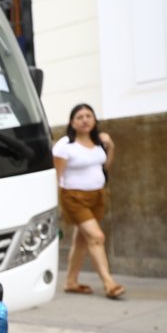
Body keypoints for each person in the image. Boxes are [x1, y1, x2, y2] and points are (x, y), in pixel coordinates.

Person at [54, 103, 124, 299]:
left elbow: (105, 166)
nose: (85, 120)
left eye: (88, 116)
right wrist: (56, 205)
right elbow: (57, 176)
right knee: (97, 237)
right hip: (74, 197)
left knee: (82, 240)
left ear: (94, 120)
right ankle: (109, 283)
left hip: (97, 196)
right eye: (80, 117)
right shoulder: (65, 145)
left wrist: (111, 146)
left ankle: (71, 281)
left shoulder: (99, 142)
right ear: (72, 122)